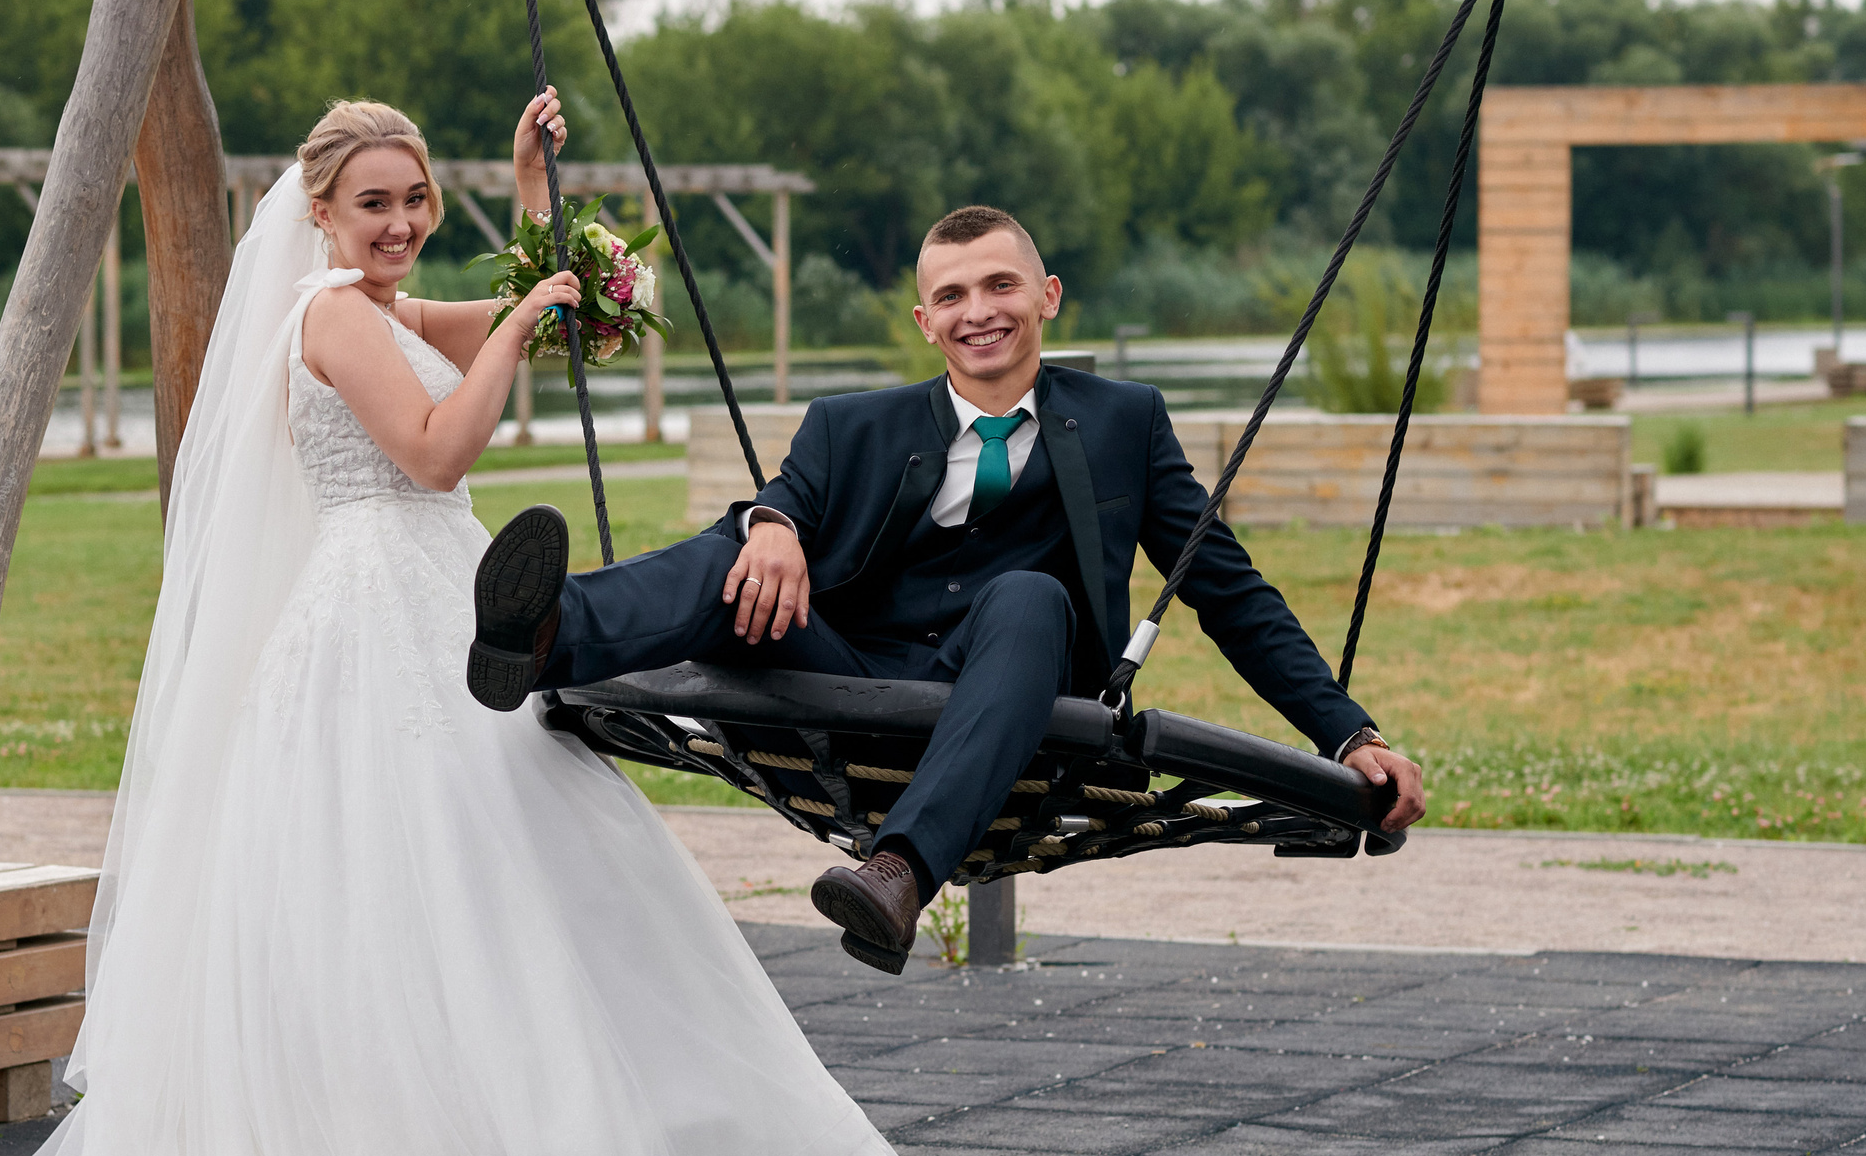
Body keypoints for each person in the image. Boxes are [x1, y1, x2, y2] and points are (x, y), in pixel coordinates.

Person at [0, 95, 931, 1156]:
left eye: (415, 198)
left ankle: (599, 1143)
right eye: (372, 202)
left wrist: (533, 196)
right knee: (412, 867)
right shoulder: (332, 314)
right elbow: (435, 452)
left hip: (451, 589)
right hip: (375, 604)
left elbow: (538, 318)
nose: (398, 222)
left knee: (530, 854)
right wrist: (527, 320)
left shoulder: (390, 310)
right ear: (321, 211)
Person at [469, 204, 1427, 974]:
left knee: (1030, 593)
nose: (980, 311)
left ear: (1048, 296)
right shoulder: (851, 424)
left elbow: (1227, 588)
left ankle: (898, 873)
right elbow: (787, 498)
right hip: (848, 681)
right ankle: (546, 633)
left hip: (1021, 699)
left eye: (1002, 284)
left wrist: (1350, 733)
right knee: (744, 550)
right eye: (953, 295)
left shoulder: (1125, 422)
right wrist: (773, 525)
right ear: (925, 322)